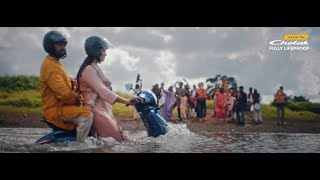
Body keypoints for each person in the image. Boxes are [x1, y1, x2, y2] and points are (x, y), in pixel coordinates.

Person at [76, 36, 133, 142]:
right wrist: (127, 101)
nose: (105, 53)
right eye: (103, 50)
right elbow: (103, 91)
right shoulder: (88, 69)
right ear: (96, 50)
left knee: (124, 140)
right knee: (116, 142)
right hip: (96, 112)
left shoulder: (95, 67)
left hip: (105, 111)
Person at [40, 31, 93, 142]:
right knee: (87, 116)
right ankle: (81, 146)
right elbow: (64, 94)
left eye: (64, 45)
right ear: (50, 46)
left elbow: (62, 83)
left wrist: (72, 81)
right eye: (59, 45)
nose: (63, 48)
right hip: (55, 110)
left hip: (62, 108)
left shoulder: (55, 63)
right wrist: (77, 101)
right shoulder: (50, 66)